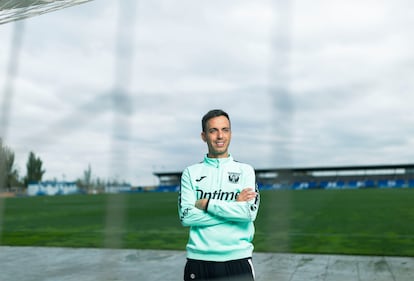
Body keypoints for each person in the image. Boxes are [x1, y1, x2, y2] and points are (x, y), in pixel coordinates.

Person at [178, 109, 260, 281]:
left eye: (225, 130)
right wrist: (233, 209)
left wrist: (207, 205)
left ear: (230, 133)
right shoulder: (190, 173)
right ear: (203, 136)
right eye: (213, 130)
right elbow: (187, 217)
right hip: (199, 261)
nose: (220, 136)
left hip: (238, 260)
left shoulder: (245, 171)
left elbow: (248, 214)